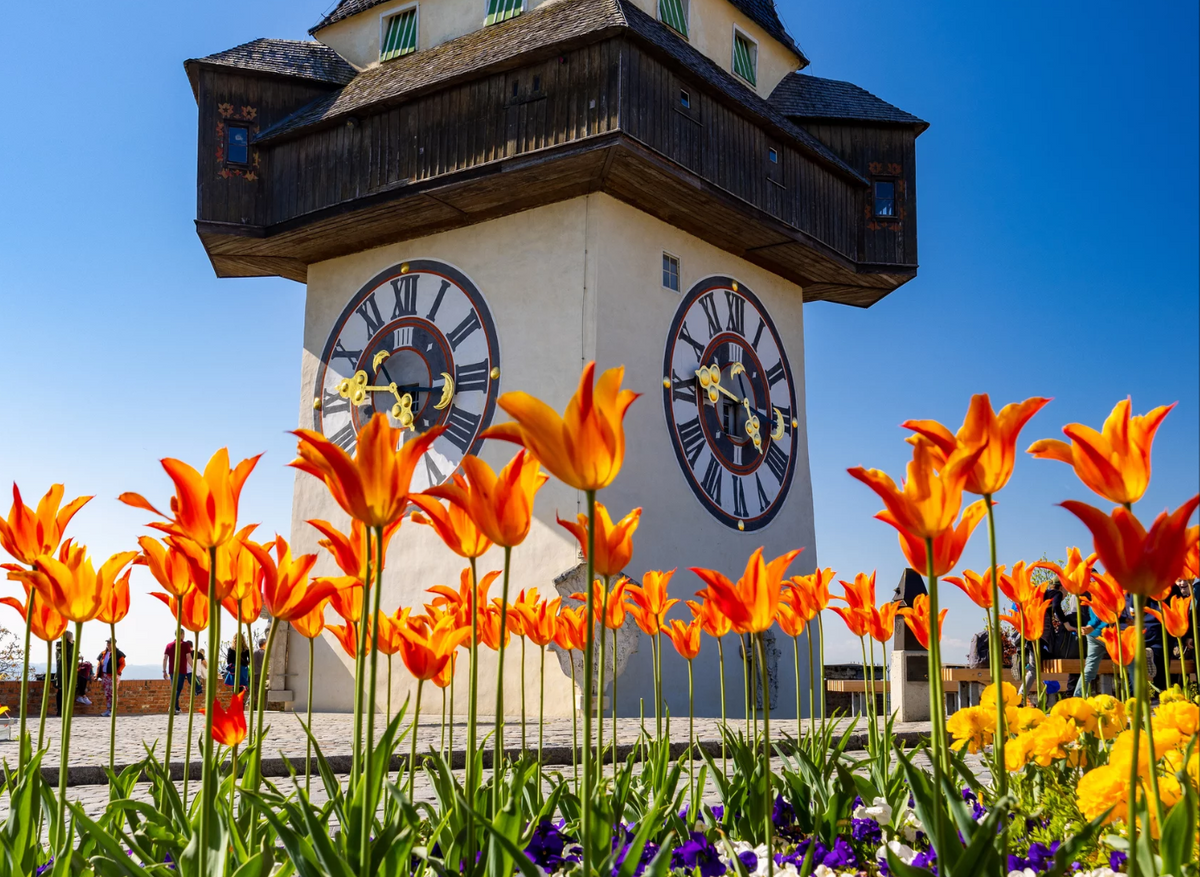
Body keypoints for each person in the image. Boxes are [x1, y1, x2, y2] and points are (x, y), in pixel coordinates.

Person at [163, 637, 194, 714]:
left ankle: (177, 708)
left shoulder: (169, 645)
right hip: (181, 670)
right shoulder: (185, 645)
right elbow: (189, 657)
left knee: (174, 689)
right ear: (182, 635)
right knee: (178, 689)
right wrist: (194, 667)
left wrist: (164, 670)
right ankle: (172, 706)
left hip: (172, 671)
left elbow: (165, 659)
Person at [97, 639, 126, 717]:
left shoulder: (118, 654)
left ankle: (113, 710)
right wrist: (97, 674)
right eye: (108, 643)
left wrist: (117, 673)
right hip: (105, 675)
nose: (108, 644)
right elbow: (99, 663)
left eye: (110, 643)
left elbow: (122, 664)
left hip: (114, 676)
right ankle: (108, 709)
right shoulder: (103, 653)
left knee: (113, 693)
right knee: (107, 694)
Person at [54, 630, 74, 716]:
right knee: (67, 692)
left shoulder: (59, 647)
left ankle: (60, 711)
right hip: (68, 672)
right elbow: (70, 658)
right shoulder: (69, 647)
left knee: (60, 692)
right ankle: (66, 711)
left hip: (60, 672)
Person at [251, 637, 267, 708]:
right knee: (263, 693)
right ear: (264, 644)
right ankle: (262, 708)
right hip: (262, 674)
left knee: (254, 692)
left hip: (254, 674)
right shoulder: (264, 653)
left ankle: (249, 706)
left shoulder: (254, 652)